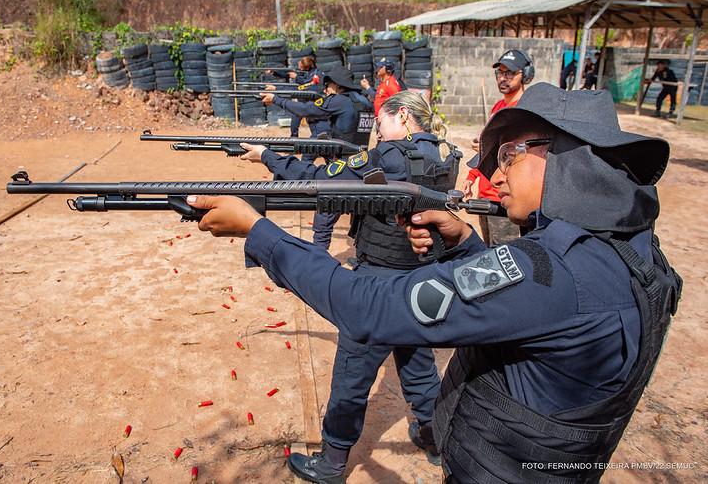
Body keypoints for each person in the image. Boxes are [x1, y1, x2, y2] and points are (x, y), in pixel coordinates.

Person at [187, 83, 681, 483]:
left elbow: (367, 309)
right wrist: (466, 243)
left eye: (508, 154)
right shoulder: (631, 252)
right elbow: (536, 305)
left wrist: (259, 232)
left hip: (498, 471)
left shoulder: (551, 269)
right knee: (416, 367)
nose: (495, 174)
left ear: (564, 156)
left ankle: (334, 459)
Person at [238, 91, 461, 482]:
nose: (377, 130)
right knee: (417, 363)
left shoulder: (386, 157)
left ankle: (331, 464)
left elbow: (316, 180)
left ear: (403, 116)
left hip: (378, 282)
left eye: (382, 122)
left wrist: (266, 156)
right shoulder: (446, 156)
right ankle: (433, 437)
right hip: (423, 278)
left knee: (352, 377)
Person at [262, 66, 363, 248]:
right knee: (360, 213)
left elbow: (306, 110)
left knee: (325, 215)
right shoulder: (364, 101)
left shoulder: (340, 101)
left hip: (343, 168)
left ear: (337, 85)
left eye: (329, 85)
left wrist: (277, 100)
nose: (326, 89)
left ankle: (318, 260)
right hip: (362, 164)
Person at [462, 49, 533, 246]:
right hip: (486, 194)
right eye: (500, 73)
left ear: (525, 75)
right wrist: (471, 177)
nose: (503, 78)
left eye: (510, 73)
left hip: (505, 197)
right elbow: (489, 150)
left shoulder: (524, 111)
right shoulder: (498, 108)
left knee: (505, 256)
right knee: (488, 250)